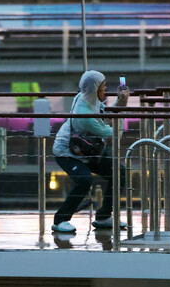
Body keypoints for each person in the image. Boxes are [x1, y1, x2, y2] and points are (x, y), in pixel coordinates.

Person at [51, 70, 129, 233]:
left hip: (87, 149)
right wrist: (121, 107)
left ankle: (103, 216)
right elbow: (115, 133)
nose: (106, 88)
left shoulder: (87, 98)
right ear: (95, 89)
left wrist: (119, 104)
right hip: (67, 152)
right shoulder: (85, 115)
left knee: (119, 171)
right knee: (84, 180)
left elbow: (105, 114)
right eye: (103, 86)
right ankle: (61, 220)